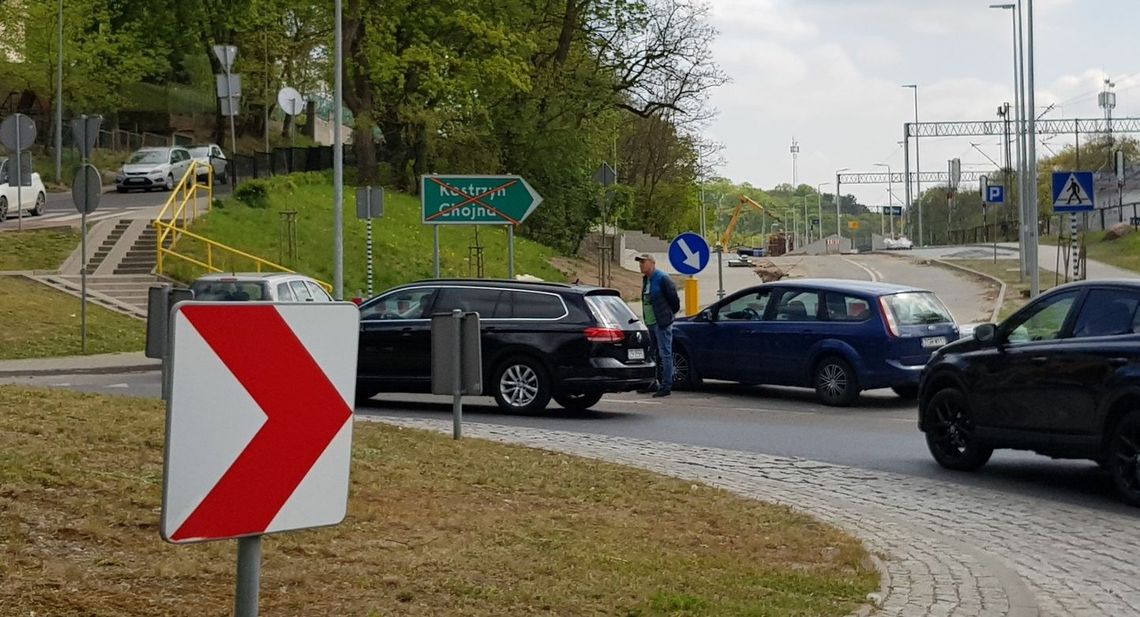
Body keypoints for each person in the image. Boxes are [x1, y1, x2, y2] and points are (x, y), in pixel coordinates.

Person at [635, 253, 680, 397]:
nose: (641, 265)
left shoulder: (662, 278)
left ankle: (666, 385)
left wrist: (667, 316)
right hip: (650, 322)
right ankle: (652, 383)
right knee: (651, 353)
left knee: (665, 353)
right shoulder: (646, 280)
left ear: (652, 263)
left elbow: (674, 300)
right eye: (640, 262)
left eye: (643, 262)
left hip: (661, 323)